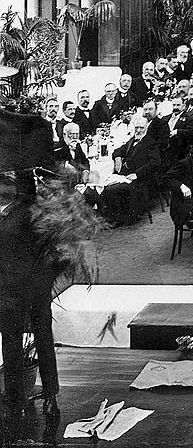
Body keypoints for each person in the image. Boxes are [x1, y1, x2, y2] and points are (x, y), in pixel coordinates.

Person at [0, 168, 60, 418]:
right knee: (44, 337)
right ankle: (51, 392)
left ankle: (15, 400)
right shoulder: (40, 211)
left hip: (13, 290)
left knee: (11, 341)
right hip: (38, 288)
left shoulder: (9, 219)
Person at [96, 118, 160, 226]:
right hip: (125, 176)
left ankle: (117, 218)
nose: (138, 130)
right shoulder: (132, 140)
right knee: (103, 185)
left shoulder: (150, 143)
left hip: (140, 179)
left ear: (147, 128)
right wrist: (117, 158)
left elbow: (155, 163)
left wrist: (137, 174)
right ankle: (113, 216)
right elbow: (118, 151)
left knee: (110, 190)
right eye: (136, 128)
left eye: (141, 128)